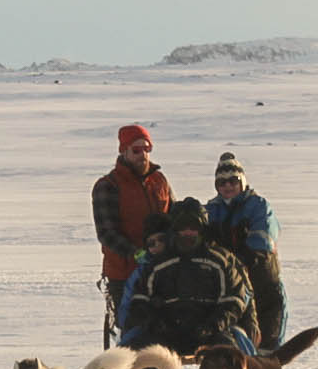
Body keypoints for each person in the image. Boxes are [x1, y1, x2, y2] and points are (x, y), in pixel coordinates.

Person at [122, 198, 257, 356]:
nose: (187, 232)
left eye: (193, 227)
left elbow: (233, 300)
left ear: (202, 228)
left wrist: (213, 325)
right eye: (182, 227)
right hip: (165, 332)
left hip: (210, 331)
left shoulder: (219, 261)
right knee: (132, 352)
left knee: (233, 353)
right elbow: (140, 300)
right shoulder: (158, 264)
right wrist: (155, 322)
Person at [91, 123, 171, 345]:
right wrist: (136, 253)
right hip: (124, 275)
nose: (143, 155)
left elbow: (172, 217)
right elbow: (107, 233)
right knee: (134, 331)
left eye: (147, 149)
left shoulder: (160, 181)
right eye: (136, 150)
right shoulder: (108, 186)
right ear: (123, 151)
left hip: (162, 270)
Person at [205, 151, 285, 349]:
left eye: (233, 181)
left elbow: (263, 239)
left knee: (267, 330)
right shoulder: (212, 210)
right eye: (222, 183)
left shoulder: (258, 205)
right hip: (228, 281)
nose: (228, 186)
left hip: (261, 277)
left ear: (242, 181)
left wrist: (238, 261)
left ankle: (268, 360)